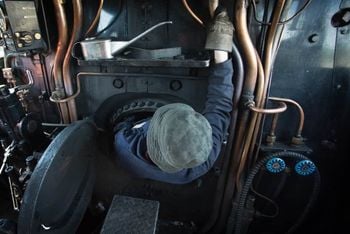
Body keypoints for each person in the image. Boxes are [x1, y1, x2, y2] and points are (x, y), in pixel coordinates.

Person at [113, 7, 234, 184]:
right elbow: (220, 105)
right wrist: (221, 48)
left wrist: (131, 121)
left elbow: (121, 127)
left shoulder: (124, 146)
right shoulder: (201, 159)